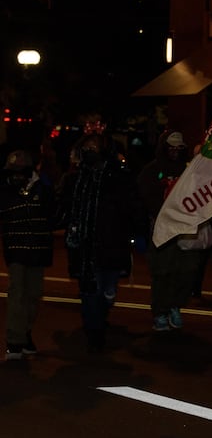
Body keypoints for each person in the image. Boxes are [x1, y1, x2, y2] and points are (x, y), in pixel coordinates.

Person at [57, 133, 142, 352]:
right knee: (89, 292)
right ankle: (94, 332)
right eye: (86, 148)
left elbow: (132, 208)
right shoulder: (75, 179)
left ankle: (101, 314)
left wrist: (137, 231)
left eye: (94, 147)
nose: (89, 152)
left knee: (107, 290)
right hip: (84, 247)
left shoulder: (119, 177)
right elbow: (62, 208)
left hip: (112, 244)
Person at [137, 130, 197, 332]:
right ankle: (160, 311)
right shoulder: (151, 170)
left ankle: (175, 306)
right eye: (171, 147)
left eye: (179, 148)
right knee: (163, 272)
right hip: (162, 230)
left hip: (186, 230)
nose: (175, 151)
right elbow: (145, 197)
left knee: (186, 271)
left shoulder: (190, 170)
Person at [1, 150, 54, 359]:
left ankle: (25, 332)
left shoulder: (42, 185)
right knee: (17, 293)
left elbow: (52, 211)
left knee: (33, 294)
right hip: (15, 247)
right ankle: (14, 340)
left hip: (39, 248)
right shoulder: (5, 187)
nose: (18, 174)